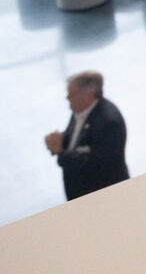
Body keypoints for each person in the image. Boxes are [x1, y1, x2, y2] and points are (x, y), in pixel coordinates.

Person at [44, 70, 128, 200]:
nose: (67, 98)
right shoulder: (79, 109)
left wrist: (61, 152)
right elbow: (78, 137)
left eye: (71, 94)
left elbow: (97, 163)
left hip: (103, 197)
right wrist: (61, 139)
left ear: (87, 97)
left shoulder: (109, 123)